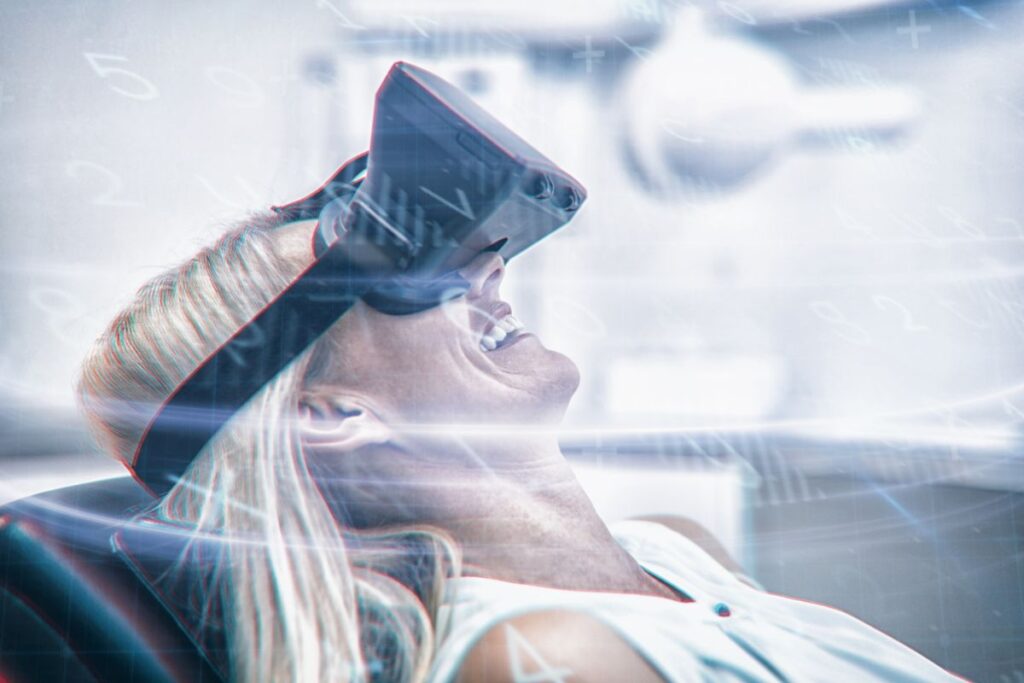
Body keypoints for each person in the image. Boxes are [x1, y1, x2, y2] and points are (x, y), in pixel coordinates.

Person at [77, 211, 962, 683]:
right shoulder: (548, 656)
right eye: (404, 276)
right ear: (332, 414)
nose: (489, 269)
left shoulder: (672, 550)